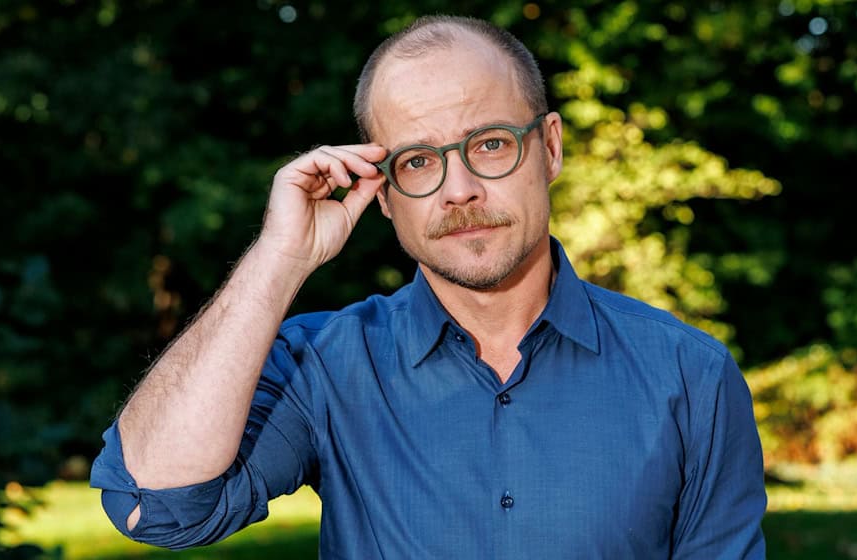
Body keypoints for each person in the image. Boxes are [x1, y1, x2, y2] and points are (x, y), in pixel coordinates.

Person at [90, 15, 767, 558]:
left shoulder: (691, 376)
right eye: (418, 161)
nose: (460, 190)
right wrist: (278, 259)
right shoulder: (324, 364)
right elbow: (155, 505)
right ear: (382, 195)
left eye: (492, 144)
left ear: (551, 147)